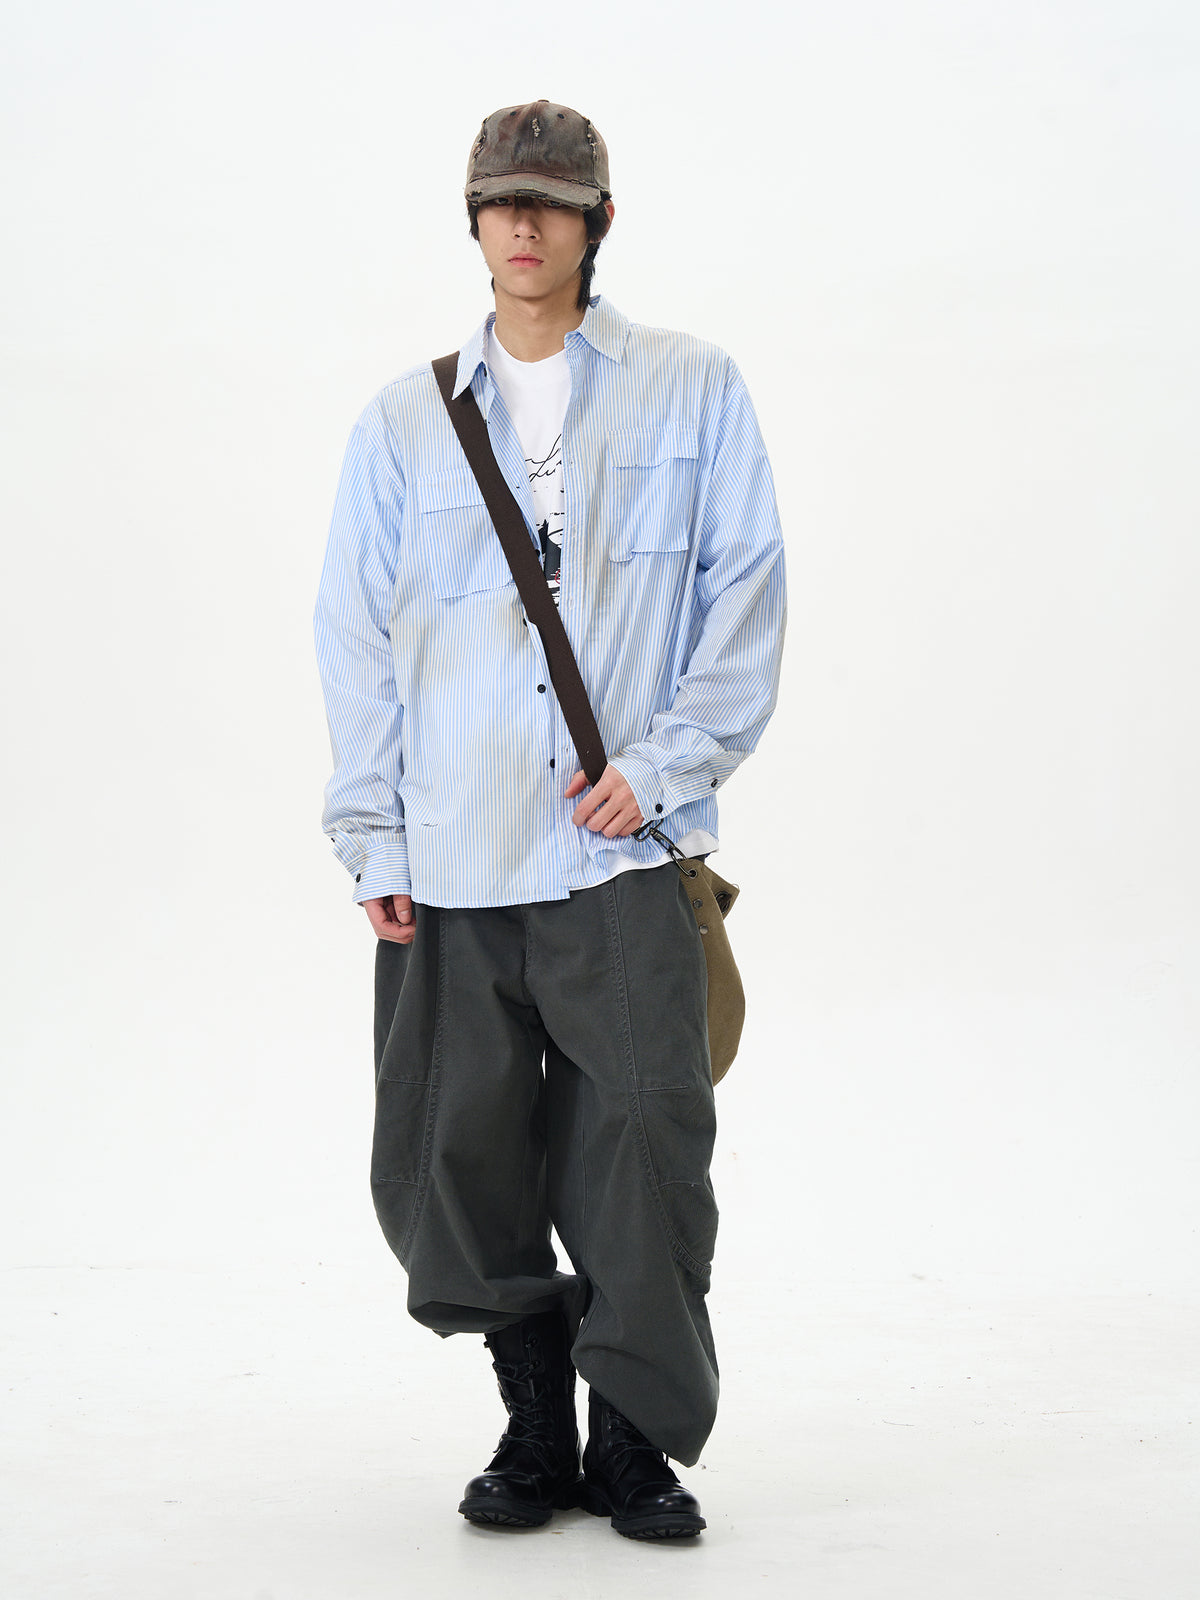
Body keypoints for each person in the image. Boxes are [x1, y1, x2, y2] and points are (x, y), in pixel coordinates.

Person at [314, 98, 786, 1541]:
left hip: (619, 852)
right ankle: (533, 1424)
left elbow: (746, 587)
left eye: (552, 203)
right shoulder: (405, 421)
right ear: (474, 221)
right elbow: (353, 633)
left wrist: (668, 762)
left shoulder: (692, 387)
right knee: (456, 1151)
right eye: (501, 202)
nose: (524, 225)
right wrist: (372, 832)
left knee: (645, 1145)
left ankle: (632, 1439)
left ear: (599, 221)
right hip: (452, 853)